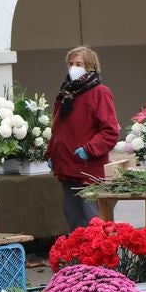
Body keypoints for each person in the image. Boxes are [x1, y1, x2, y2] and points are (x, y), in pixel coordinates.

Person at [47, 46, 120, 230]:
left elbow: (110, 131)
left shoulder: (100, 92)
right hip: (67, 168)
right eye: (70, 63)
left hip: (88, 170)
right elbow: (59, 128)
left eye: (78, 64)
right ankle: (80, 258)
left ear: (90, 67)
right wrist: (50, 153)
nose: (73, 67)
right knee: (73, 217)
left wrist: (89, 149)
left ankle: (98, 259)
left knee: (91, 220)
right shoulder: (66, 94)